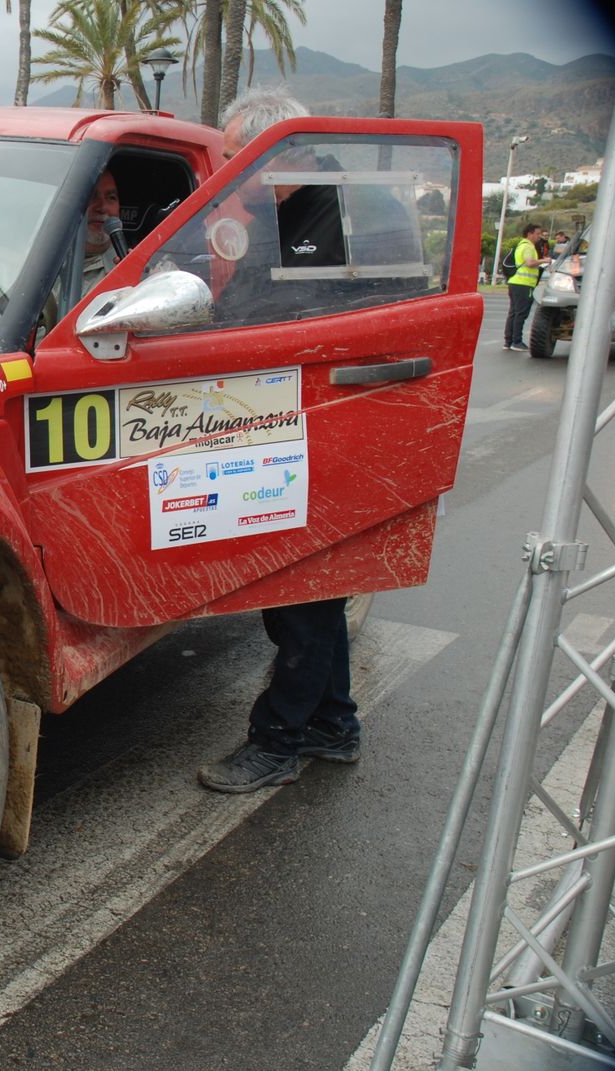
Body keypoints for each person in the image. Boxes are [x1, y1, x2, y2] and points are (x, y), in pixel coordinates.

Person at [196, 85, 364, 794]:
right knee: (314, 586)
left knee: (302, 591)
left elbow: (298, 319)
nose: (225, 169)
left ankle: (279, 739)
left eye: (236, 155)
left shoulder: (334, 211)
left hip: (321, 422)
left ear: (276, 153)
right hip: (289, 416)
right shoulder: (283, 208)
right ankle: (334, 722)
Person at [503, 222, 550, 352]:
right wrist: (544, 261)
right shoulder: (528, 247)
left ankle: (509, 341)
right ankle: (516, 341)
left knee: (513, 312)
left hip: (515, 282)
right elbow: (530, 263)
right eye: (537, 234)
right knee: (521, 313)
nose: (539, 237)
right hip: (523, 284)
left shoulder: (521, 245)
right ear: (529, 234)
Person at [79, 167, 122, 293]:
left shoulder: (136, 273)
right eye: (92, 196)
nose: (102, 207)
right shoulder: (32, 261)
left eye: (111, 197)